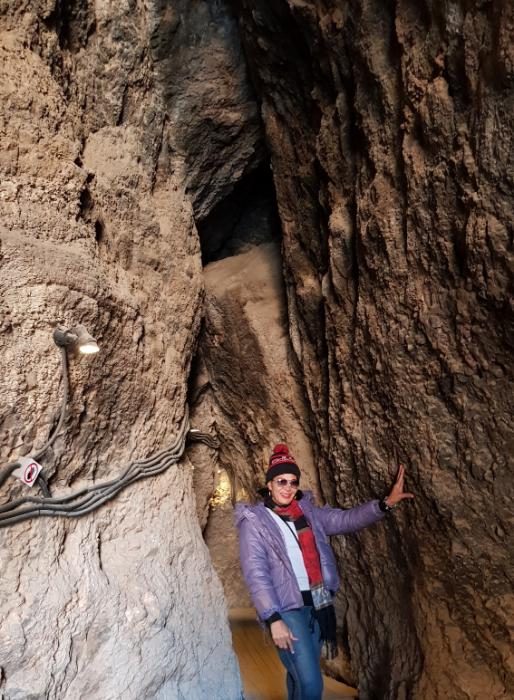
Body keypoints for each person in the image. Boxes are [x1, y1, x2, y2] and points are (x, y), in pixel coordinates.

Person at [235, 443, 414, 700]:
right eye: (281, 481)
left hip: (318, 605)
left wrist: (385, 505)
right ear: (270, 484)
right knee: (311, 685)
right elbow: (257, 574)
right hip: (287, 608)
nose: (287, 488)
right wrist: (273, 619)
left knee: (298, 679)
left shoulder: (308, 513)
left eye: (292, 482)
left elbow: (345, 520)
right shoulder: (255, 522)